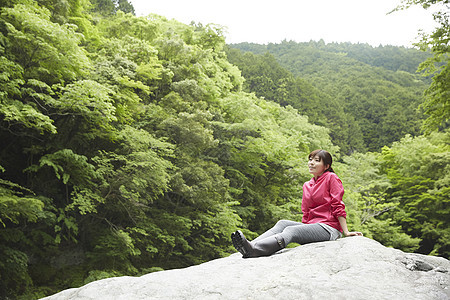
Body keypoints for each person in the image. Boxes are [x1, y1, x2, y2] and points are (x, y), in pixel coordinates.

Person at [231, 149, 363, 258]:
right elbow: (306, 211)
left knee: (291, 230)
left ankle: (256, 250)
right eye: (310, 159)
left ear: (326, 166)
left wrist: (346, 231)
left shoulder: (331, 178)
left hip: (329, 228)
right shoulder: (308, 184)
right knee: (283, 223)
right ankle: (248, 246)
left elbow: (338, 204)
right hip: (313, 226)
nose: (311, 163)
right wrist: (305, 232)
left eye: (317, 161)